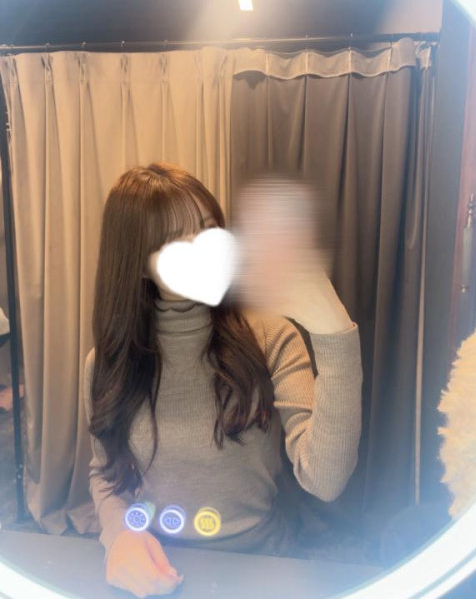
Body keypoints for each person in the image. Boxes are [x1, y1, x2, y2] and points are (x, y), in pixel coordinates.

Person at [84, 162, 363, 598]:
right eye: (173, 240)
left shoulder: (270, 336)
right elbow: (106, 473)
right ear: (137, 264)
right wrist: (120, 535)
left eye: (209, 229)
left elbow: (325, 480)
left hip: (264, 566)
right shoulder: (108, 363)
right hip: (159, 567)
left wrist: (335, 333)